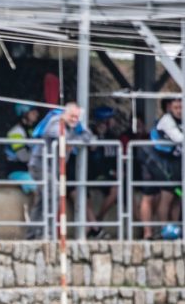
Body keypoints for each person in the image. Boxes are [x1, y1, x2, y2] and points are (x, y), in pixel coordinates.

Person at [26, 102, 92, 240]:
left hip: (52, 167)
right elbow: (61, 137)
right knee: (54, 193)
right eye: (72, 116)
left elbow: (88, 137)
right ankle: (46, 232)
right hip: (40, 165)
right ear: (65, 114)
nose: (74, 119)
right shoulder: (56, 122)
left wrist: (80, 127)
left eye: (77, 117)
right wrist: (75, 138)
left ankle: (32, 233)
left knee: (41, 199)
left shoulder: (73, 126)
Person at [141, 98, 184, 239]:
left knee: (177, 196)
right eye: (176, 107)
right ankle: (162, 230)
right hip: (153, 160)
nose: (179, 110)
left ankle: (174, 228)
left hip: (171, 162)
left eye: (181, 107)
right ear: (170, 108)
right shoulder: (167, 120)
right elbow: (179, 138)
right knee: (162, 196)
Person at [86, 106, 121, 238]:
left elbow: (114, 157)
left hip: (110, 174)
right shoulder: (92, 135)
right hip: (95, 174)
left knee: (117, 189)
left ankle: (97, 220)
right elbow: (95, 160)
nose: (114, 121)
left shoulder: (112, 136)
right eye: (111, 119)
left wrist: (116, 170)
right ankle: (96, 225)